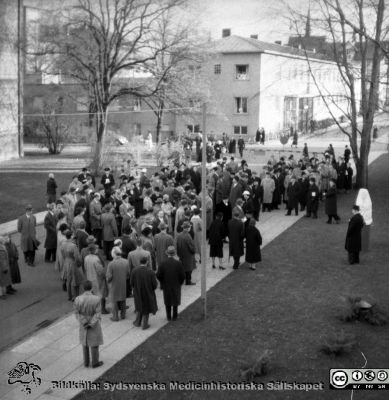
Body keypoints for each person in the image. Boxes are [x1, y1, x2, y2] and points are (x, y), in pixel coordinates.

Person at [74, 280, 104, 368]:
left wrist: (84, 322)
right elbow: (98, 313)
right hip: (93, 324)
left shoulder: (78, 299)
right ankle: (95, 363)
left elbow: (76, 312)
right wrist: (91, 323)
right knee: (94, 343)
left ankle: (86, 362)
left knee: (85, 342)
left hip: (83, 324)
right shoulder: (97, 299)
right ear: (91, 287)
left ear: (83, 288)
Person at [156, 246, 185, 321]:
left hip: (166, 285)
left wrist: (162, 281)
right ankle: (175, 316)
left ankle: (168, 317)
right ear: (174, 254)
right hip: (176, 285)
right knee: (175, 300)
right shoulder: (178, 263)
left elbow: (158, 275)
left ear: (167, 253)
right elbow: (182, 276)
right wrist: (180, 283)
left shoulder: (163, 263)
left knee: (167, 301)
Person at [130, 256, 158, 330]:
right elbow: (154, 285)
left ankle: (137, 322)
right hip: (148, 293)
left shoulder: (134, 271)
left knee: (139, 306)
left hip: (138, 292)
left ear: (140, 262)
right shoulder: (150, 272)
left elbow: (131, 283)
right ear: (147, 262)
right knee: (146, 308)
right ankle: (144, 324)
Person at [84, 244, 109, 314]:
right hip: (97, 279)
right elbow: (100, 271)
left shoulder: (86, 257)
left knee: (92, 293)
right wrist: (104, 275)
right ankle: (103, 309)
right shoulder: (96, 259)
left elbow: (85, 267)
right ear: (94, 250)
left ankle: (93, 308)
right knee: (102, 294)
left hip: (90, 277)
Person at [106, 247, 129, 321]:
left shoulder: (111, 264)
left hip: (114, 284)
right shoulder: (126, 261)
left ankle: (115, 317)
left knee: (114, 300)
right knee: (123, 299)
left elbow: (109, 276)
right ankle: (123, 315)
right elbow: (128, 273)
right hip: (123, 283)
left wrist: (107, 281)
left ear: (113, 254)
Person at [61, 230, 84, 301]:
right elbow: (77, 256)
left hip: (66, 261)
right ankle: (75, 296)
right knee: (75, 280)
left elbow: (62, 253)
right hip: (72, 262)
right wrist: (79, 263)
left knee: (68, 280)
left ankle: (69, 296)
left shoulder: (63, 244)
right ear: (71, 236)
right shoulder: (73, 246)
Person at [176, 221, 196, 285]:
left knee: (183, 268)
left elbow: (177, 245)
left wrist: (178, 254)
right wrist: (194, 251)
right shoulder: (188, 236)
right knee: (189, 269)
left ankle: (182, 280)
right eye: (190, 227)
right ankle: (188, 281)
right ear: (188, 228)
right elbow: (191, 247)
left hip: (181, 254)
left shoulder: (179, 235)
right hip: (188, 255)